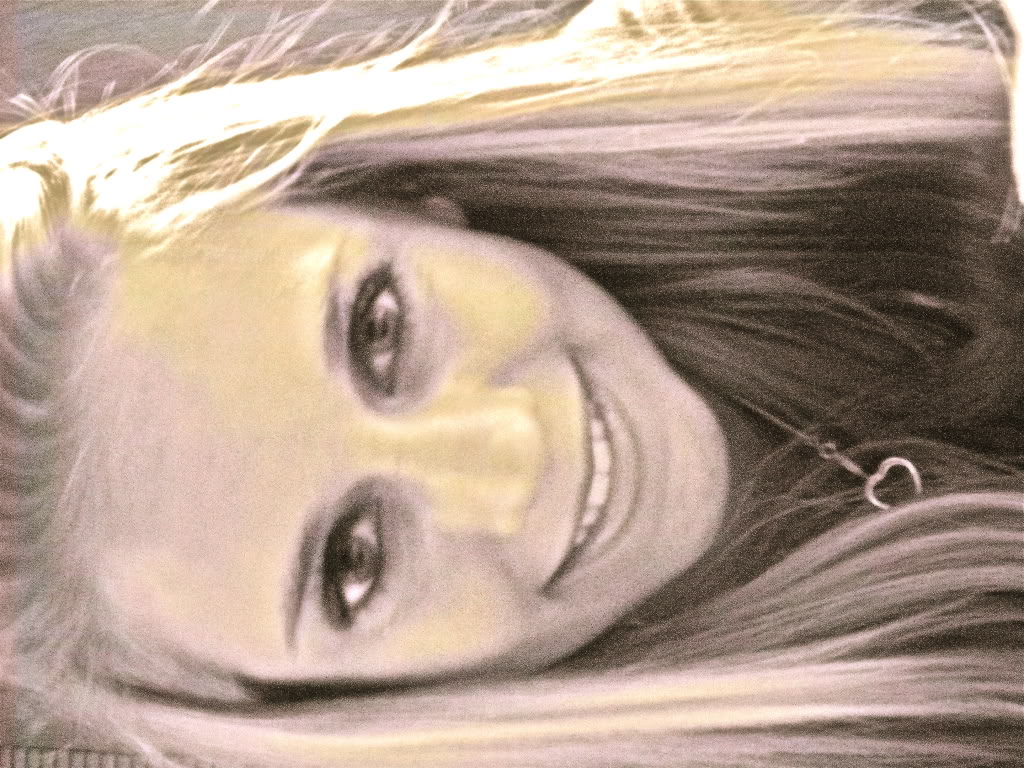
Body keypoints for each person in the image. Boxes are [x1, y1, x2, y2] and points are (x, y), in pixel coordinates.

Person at [1, 1, 1022, 766]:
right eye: (354, 562)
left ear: (396, 194)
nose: (512, 453)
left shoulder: (762, 43)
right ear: (318, 710)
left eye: (380, 332)